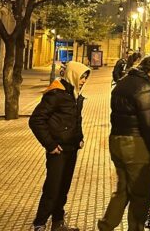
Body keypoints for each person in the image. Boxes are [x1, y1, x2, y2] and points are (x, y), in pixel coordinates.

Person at [98, 55, 150, 231]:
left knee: (123, 189)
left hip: (116, 141)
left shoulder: (123, 82)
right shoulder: (145, 88)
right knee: (140, 193)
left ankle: (106, 225)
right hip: (136, 145)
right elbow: (149, 125)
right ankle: (136, 228)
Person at [29, 61, 91, 231]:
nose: (83, 81)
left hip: (71, 149)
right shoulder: (56, 94)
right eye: (82, 77)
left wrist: (79, 138)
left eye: (85, 78)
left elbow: (75, 121)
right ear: (73, 75)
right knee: (52, 189)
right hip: (58, 150)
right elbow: (36, 120)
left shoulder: (74, 95)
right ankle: (40, 224)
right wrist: (50, 144)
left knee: (63, 188)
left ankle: (57, 223)